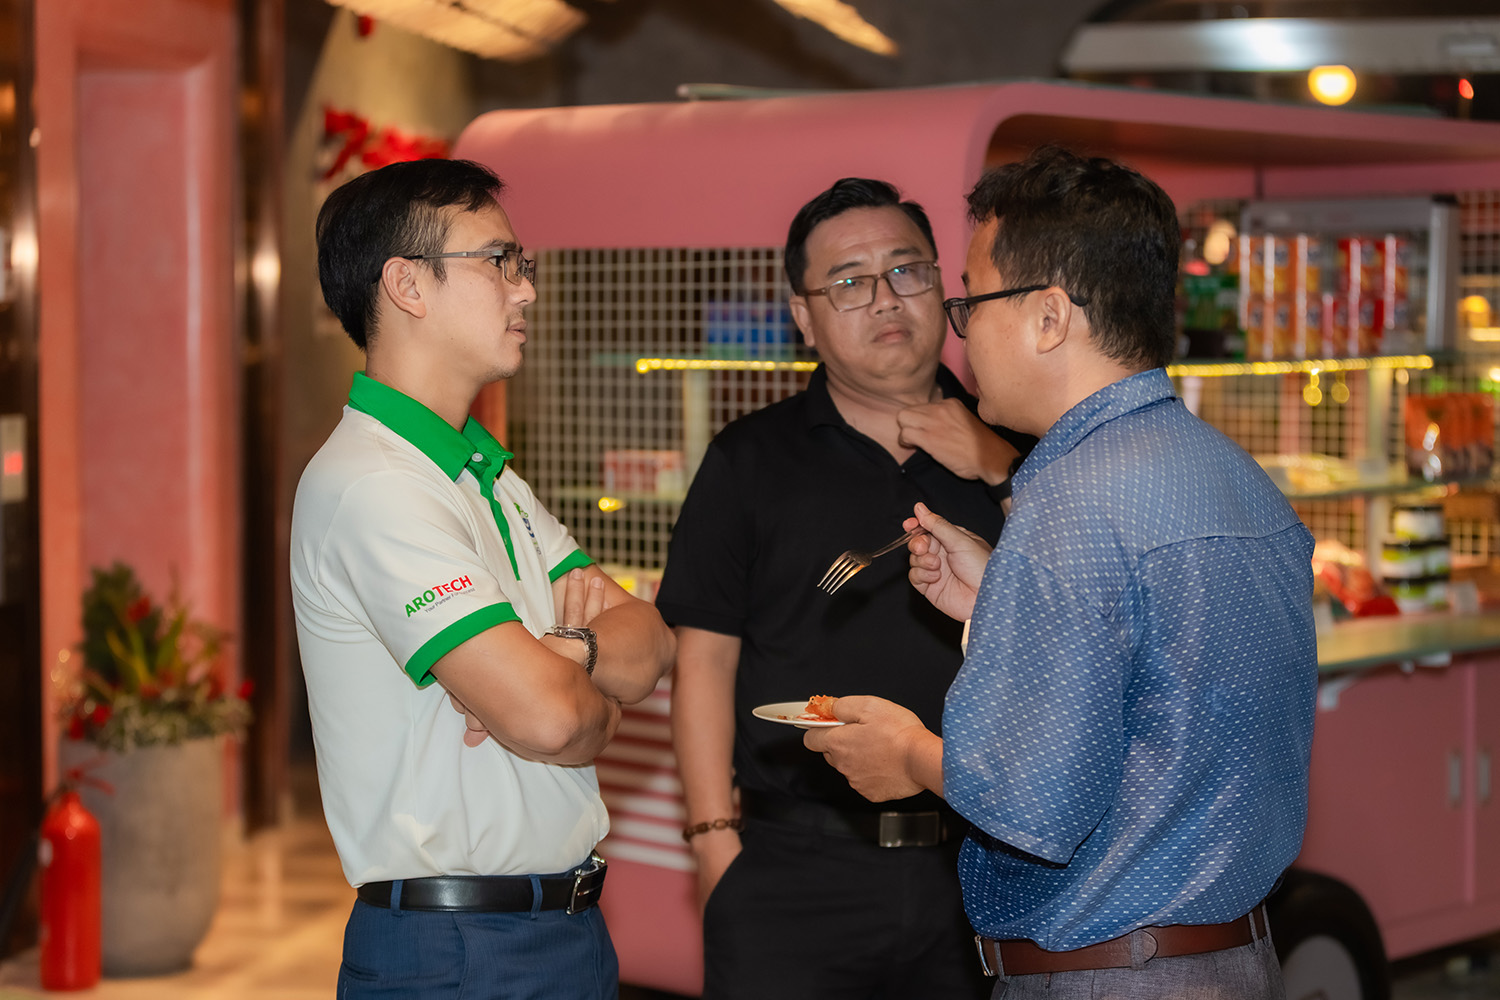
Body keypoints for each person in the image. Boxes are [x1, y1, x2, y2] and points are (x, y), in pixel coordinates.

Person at [806, 147, 1318, 999]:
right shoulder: (1234, 474)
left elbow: (1032, 803)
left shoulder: (1072, 504)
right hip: (1234, 958)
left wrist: (908, 754)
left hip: (1113, 975)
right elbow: (1165, 699)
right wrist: (1003, 599)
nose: (962, 333)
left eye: (972, 302)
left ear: (1049, 316)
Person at [291, 157, 675, 1000]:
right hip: (456, 951)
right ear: (406, 285)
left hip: (564, 929)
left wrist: (566, 653)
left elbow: (651, 643)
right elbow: (552, 719)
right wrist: (575, 691)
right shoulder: (374, 484)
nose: (525, 289)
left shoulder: (486, 477)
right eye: (498, 261)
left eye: (521, 264)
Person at [656, 177, 1033, 1000]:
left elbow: (1072, 616)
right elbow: (705, 660)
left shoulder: (1018, 448)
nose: (886, 298)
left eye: (906, 270)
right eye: (850, 282)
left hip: (983, 861)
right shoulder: (749, 460)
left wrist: (999, 468)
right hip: (794, 867)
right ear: (804, 316)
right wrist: (714, 842)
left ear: (943, 285)